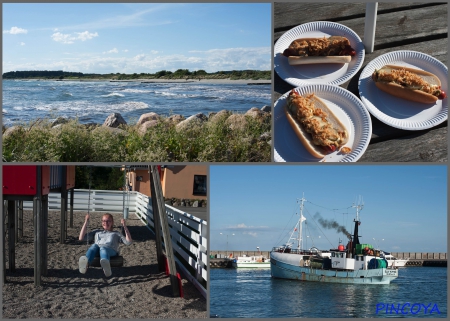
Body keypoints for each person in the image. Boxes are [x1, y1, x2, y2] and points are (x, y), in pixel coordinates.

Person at [78, 213, 132, 277]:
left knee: (103, 248)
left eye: (108, 221)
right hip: (97, 250)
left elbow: (128, 242)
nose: (106, 223)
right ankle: (85, 264)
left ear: (112, 222)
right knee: (94, 246)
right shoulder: (97, 232)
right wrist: (86, 222)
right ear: (102, 222)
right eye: (104, 221)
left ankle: (105, 265)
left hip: (110, 250)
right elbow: (81, 238)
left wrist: (124, 226)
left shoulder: (116, 233)